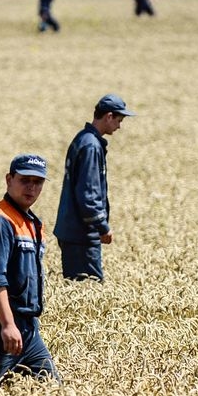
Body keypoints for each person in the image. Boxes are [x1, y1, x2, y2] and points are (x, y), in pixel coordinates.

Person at [0, 154, 61, 390]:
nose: (31, 187)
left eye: (38, 182)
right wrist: (7, 324)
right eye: (25, 180)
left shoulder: (30, 222)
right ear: (9, 180)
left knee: (52, 389)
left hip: (28, 328)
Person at [54, 93, 136, 281]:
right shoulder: (91, 145)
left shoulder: (82, 138)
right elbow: (88, 194)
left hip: (72, 230)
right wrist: (102, 226)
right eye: (119, 120)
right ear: (109, 116)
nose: (119, 126)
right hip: (81, 233)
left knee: (79, 288)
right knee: (88, 286)